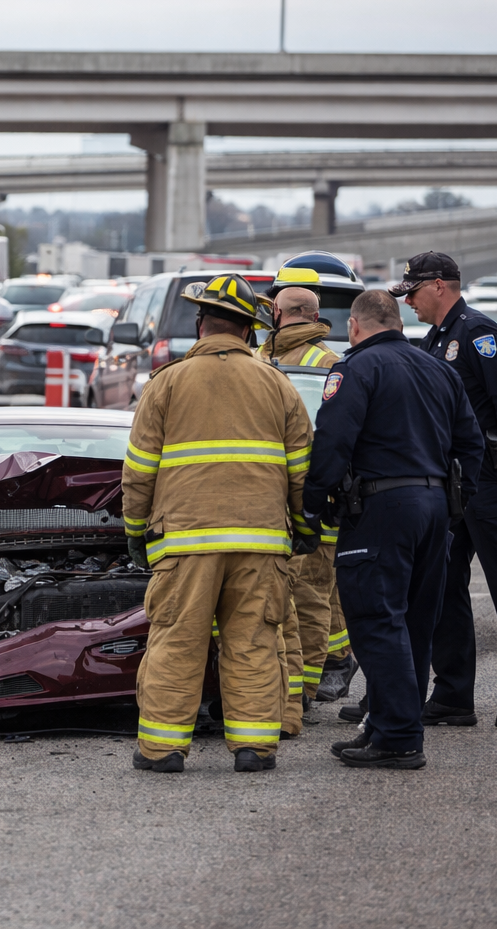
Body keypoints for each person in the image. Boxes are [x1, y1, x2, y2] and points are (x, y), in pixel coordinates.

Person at [123, 273, 314, 774]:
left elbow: (139, 470)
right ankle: (254, 748)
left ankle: (162, 750)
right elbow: (301, 471)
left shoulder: (167, 382)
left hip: (185, 543)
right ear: (251, 331)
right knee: (252, 642)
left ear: (199, 324)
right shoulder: (277, 384)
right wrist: (305, 525)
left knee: (177, 641)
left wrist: (134, 529)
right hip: (262, 541)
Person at [305, 290, 483, 769]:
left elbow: (334, 440)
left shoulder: (356, 369)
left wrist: (312, 502)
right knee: (415, 623)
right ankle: (384, 726)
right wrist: (456, 505)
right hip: (433, 509)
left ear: (355, 328)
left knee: (375, 620)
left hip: (381, 507)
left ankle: (400, 737)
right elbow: (472, 443)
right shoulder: (439, 369)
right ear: (398, 323)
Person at [395, 252, 497, 730]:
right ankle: (452, 694)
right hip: (455, 481)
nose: (408, 300)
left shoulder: (477, 332)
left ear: (438, 286)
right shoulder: (435, 339)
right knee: (445, 585)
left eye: (412, 291)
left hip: (489, 476)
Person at [256, 276, 350, 719]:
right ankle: (305, 686)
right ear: (316, 317)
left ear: (279, 312)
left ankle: (303, 691)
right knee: (309, 596)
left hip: (286, 492)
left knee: (308, 596)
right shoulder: (328, 362)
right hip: (309, 494)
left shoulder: (263, 359)